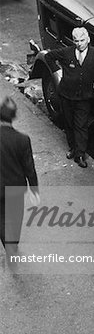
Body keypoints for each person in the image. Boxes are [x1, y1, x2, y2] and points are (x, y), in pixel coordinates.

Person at [45, 27, 94, 168]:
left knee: (81, 125)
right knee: (69, 123)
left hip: (84, 97)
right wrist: (57, 70)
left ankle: (80, 154)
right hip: (66, 95)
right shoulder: (67, 52)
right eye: (76, 41)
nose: (79, 43)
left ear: (88, 40)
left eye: (82, 40)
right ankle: (73, 149)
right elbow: (48, 56)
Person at [0, 96, 39, 259]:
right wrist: (34, 190)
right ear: (14, 117)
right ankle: (12, 245)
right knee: (15, 219)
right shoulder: (23, 140)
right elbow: (29, 168)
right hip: (15, 188)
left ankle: (6, 242)